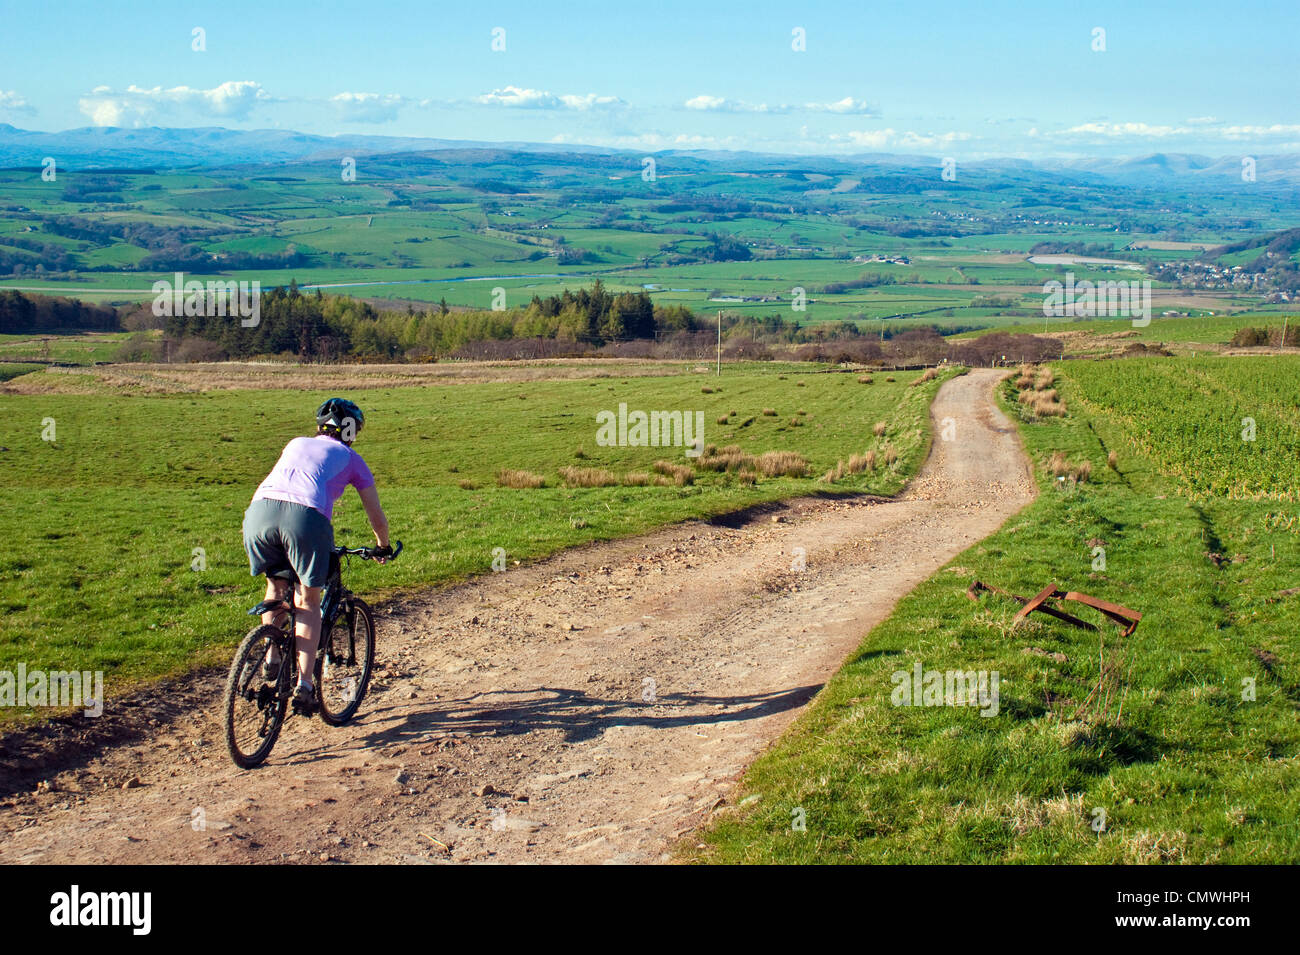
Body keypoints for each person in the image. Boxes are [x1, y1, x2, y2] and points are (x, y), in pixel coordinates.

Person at [242, 398, 391, 709]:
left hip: (258, 514)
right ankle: (305, 686)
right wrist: (383, 545)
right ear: (351, 430)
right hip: (306, 519)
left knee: (276, 587)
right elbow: (375, 513)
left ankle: (271, 655)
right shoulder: (352, 458)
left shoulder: (295, 442)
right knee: (308, 601)